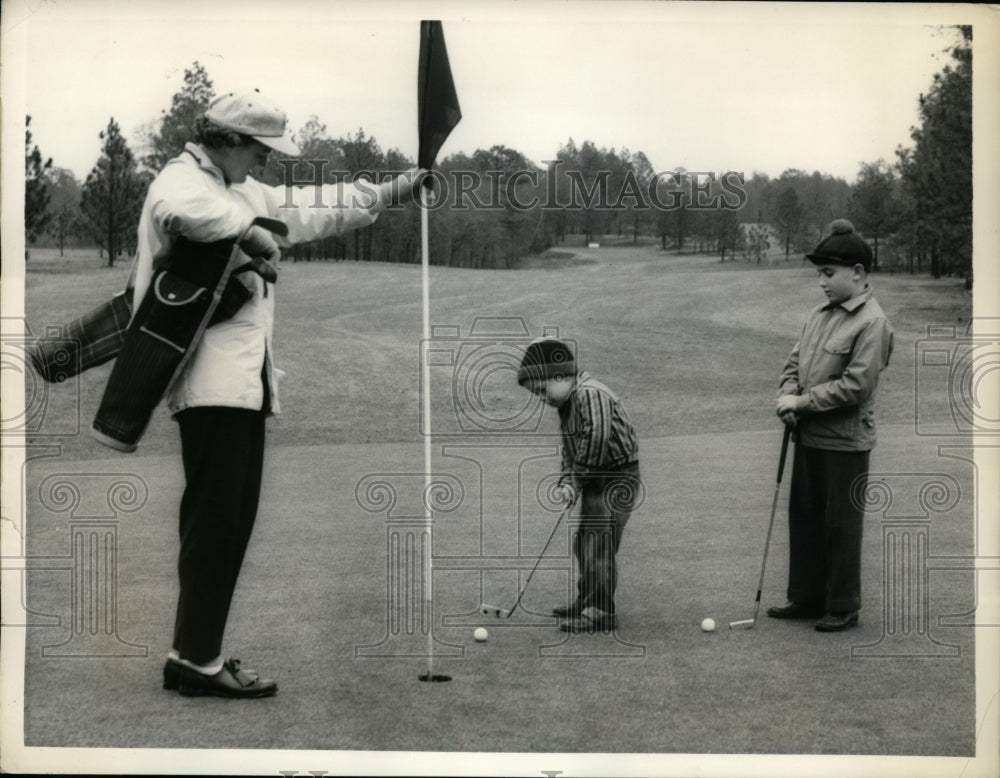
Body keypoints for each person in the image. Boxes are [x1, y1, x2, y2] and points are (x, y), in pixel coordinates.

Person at [137, 89, 423, 697]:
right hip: (209, 382)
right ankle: (196, 662)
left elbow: (311, 209)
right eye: (260, 151)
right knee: (216, 524)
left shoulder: (241, 189)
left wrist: (393, 189)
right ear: (230, 140)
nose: (266, 164)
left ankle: (194, 654)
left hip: (243, 384)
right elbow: (180, 210)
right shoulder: (184, 178)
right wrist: (253, 236)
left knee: (227, 524)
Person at [767, 219, 894, 632]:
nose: (821, 282)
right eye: (820, 273)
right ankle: (806, 597)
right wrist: (788, 399)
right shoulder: (819, 315)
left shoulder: (872, 323)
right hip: (809, 435)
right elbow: (793, 362)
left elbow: (855, 387)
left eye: (829, 273)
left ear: (857, 274)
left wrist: (801, 402)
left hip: (846, 443)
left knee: (841, 526)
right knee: (804, 519)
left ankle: (842, 605)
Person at [516, 337, 641, 633]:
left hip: (616, 477)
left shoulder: (590, 394)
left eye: (543, 390)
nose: (542, 398)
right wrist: (566, 482)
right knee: (584, 541)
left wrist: (576, 481)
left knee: (598, 542)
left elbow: (596, 439)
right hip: (596, 477)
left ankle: (601, 611)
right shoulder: (568, 403)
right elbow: (570, 450)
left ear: (560, 376)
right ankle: (587, 601)